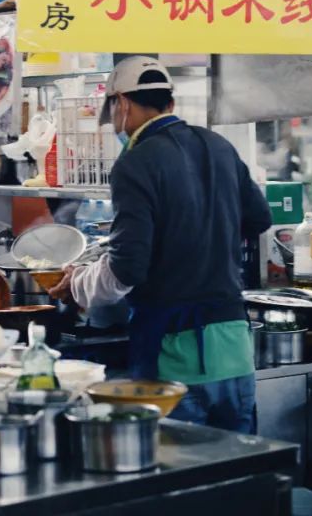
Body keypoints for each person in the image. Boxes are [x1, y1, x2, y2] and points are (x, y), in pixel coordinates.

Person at [49, 56, 272, 433]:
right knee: (240, 479)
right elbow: (259, 219)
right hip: (235, 349)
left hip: (176, 361)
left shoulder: (135, 163)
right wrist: (204, 235)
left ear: (122, 103)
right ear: (169, 103)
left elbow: (127, 268)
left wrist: (78, 283)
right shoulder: (218, 145)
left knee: (179, 481)